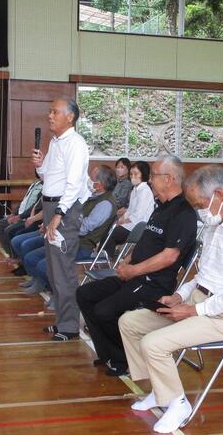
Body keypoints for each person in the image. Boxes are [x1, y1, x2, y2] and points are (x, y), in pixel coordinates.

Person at [119, 165, 223, 434]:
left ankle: (178, 404)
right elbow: (201, 276)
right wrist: (179, 296)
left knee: (153, 343)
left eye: (200, 205)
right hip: (198, 303)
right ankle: (161, 390)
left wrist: (193, 311)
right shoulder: (215, 227)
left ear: (219, 196)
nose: (199, 212)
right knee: (130, 323)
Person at [77, 156, 197, 377]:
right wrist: (127, 260)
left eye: (154, 176)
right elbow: (146, 241)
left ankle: (124, 359)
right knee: (84, 294)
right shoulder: (160, 208)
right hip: (134, 276)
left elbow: (169, 256)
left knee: (104, 311)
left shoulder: (183, 213)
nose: (150, 180)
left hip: (153, 284)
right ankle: (109, 354)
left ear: (169, 179)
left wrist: (133, 270)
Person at [31, 97, 91, 342]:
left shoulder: (76, 144)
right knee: (54, 268)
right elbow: (47, 177)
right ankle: (62, 321)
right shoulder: (56, 142)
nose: (50, 116)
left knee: (63, 269)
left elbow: (74, 184)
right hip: (51, 206)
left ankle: (69, 326)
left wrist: (58, 215)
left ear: (70, 117)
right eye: (50, 111)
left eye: (55, 112)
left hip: (64, 210)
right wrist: (40, 165)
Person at [21, 165, 118, 297]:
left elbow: (84, 228)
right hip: (68, 239)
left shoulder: (105, 204)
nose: (88, 180)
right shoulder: (92, 196)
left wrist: (60, 229)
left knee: (44, 265)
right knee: (32, 257)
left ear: (99, 185)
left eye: (91, 178)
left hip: (82, 245)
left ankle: (59, 295)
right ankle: (41, 282)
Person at [102, 161, 154, 259]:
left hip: (138, 227)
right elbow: (130, 210)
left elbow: (138, 215)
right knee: (108, 230)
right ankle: (101, 258)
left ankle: (106, 260)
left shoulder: (145, 191)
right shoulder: (135, 190)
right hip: (130, 224)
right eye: (131, 174)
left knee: (113, 234)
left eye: (136, 174)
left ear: (143, 174)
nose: (132, 176)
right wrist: (121, 219)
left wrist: (124, 221)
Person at [0, 178, 43, 263]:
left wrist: (20, 217)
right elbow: (24, 201)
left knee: (10, 230)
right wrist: (14, 214)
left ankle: (17, 257)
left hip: (28, 218)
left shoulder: (46, 187)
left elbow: (36, 207)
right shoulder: (35, 184)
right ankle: (13, 255)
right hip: (20, 215)